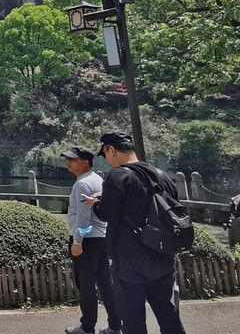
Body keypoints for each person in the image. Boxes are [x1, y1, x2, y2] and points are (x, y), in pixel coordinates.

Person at [83, 132, 186, 334]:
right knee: (169, 318)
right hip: (162, 255)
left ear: (111, 149)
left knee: (133, 321)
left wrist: (95, 204)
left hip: (129, 260)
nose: (107, 160)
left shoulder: (117, 175)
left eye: (105, 155)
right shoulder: (160, 174)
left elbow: (107, 213)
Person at [63, 145, 121, 334]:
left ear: (85, 162)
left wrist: (77, 241)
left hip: (87, 240)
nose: (68, 163)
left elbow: (84, 217)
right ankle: (115, 326)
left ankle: (87, 328)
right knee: (106, 284)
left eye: (72, 159)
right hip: (103, 239)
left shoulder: (82, 183)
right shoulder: (98, 178)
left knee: (86, 286)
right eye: (68, 159)